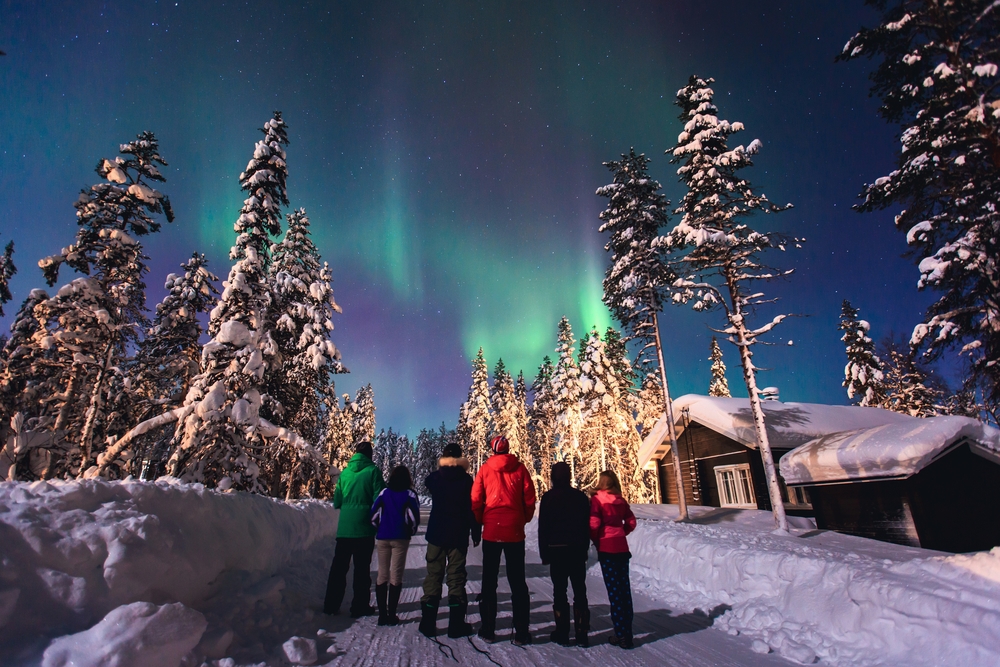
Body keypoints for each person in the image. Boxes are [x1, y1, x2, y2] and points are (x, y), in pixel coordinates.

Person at [471, 434, 536, 645]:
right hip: (514, 532)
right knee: (517, 581)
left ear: (493, 450)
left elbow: (476, 499)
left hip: (492, 531)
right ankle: (521, 633)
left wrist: (482, 520)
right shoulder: (520, 469)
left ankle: (488, 629)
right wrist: (523, 519)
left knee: (489, 581)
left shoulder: (485, 470)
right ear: (507, 449)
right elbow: (529, 497)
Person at [419, 442, 481, 638]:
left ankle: (428, 624)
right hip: (458, 535)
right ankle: (455, 626)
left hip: (436, 534)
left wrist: (441, 467)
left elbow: (427, 481)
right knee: (456, 578)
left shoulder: (437, 478)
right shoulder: (467, 481)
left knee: (433, 576)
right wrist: (475, 531)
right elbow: (472, 508)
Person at [324, 441, 385, 617]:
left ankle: (331, 605)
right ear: (370, 455)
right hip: (364, 528)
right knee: (361, 569)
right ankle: (359, 606)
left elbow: (337, 501)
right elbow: (380, 498)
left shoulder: (345, 473)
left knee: (339, 567)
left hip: (344, 529)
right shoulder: (373, 472)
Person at [538, 461, 591, 646]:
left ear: (553, 476)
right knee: (580, 590)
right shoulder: (580, 498)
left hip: (556, 550)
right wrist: (585, 548)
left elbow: (543, 528)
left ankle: (562, 632)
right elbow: (586, 526)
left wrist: (544, 552)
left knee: (559, 591)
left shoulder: (548, 498)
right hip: (576, 549)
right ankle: (582, 633)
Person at [590, 470, 637, 649]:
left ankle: (620, 634)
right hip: (622, 549)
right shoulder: (620, 500)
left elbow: (594, 523)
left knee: (614, 592)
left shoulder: (597, 500)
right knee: (625, 590)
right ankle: (627, 632)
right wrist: (621, 533)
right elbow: (631, 522)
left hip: (607, 549)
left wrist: (597, 538)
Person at [370, 465, 421, 626]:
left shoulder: (384, 493)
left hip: (383, 537)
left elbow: (374, 513)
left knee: (382, 575)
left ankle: (382, 615)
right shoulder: (410, 494)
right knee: (396, 575)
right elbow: (414, 517)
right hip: (400, 537)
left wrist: (378, 528)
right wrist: (410, 531)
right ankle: (391, 614)